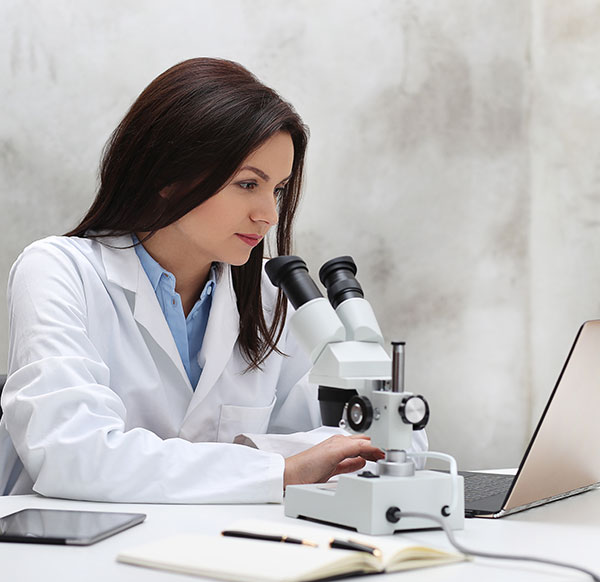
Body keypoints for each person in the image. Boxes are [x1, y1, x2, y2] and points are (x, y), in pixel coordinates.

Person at [0, 58, 425, 502]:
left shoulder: (269, 295)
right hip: (71, 543)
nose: (269, 214)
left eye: (278, 189)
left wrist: (261, 461)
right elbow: (75, 457)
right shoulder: (58, 271)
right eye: (248, 184)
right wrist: (278, 469)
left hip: (220, 540)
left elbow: (387, 442)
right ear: (168, 177)